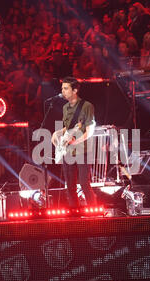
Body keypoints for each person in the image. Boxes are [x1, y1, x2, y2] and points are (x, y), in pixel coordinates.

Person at [51, 77, 97, 207]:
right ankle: (74, 213)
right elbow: (69, 126)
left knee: (84, 183)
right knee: (70, 185)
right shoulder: (65, 107)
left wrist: (77, 141)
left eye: (66, 88)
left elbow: (90, 129)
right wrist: (58, 133)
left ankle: (93, 211)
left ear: (75, 90)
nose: (63, 91)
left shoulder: (87, 106)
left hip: (83, 150)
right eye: (62, 89)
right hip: (68, 151)